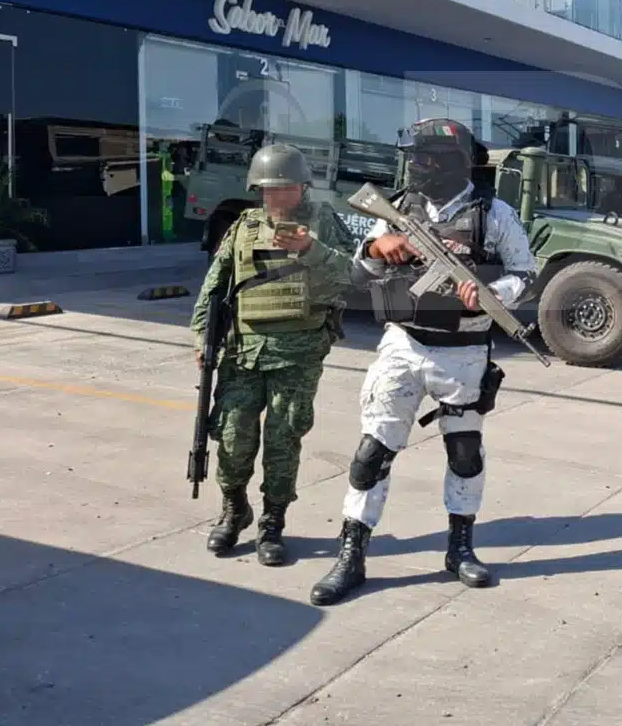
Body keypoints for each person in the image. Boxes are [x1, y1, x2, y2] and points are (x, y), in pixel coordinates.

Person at [309, 119, 536, 606]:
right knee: (371, 455)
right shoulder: (397, 210)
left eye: (427, 159)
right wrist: (377, 246)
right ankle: (352, 554)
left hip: (465, 350)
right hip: (403, 345)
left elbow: (525, 272)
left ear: (454, 162)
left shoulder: (492, 214)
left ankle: (460, 548)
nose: (417, 166)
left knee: (465, 455)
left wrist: (492, 294)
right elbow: (360, 269)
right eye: (414, 157)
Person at [192, 144, 357, 567]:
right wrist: (201, 338)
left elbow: (349, 277)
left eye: (284, 188)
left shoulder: (323, 223)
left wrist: (310, 250)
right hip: (242, 353)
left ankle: (272, 523)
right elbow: (215, 284)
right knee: (230, 438)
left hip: (297, 355)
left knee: (283, 442)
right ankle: (234, 510)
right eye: (268, 189)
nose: (276, 197)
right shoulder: (244, 227)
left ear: (302, 187)